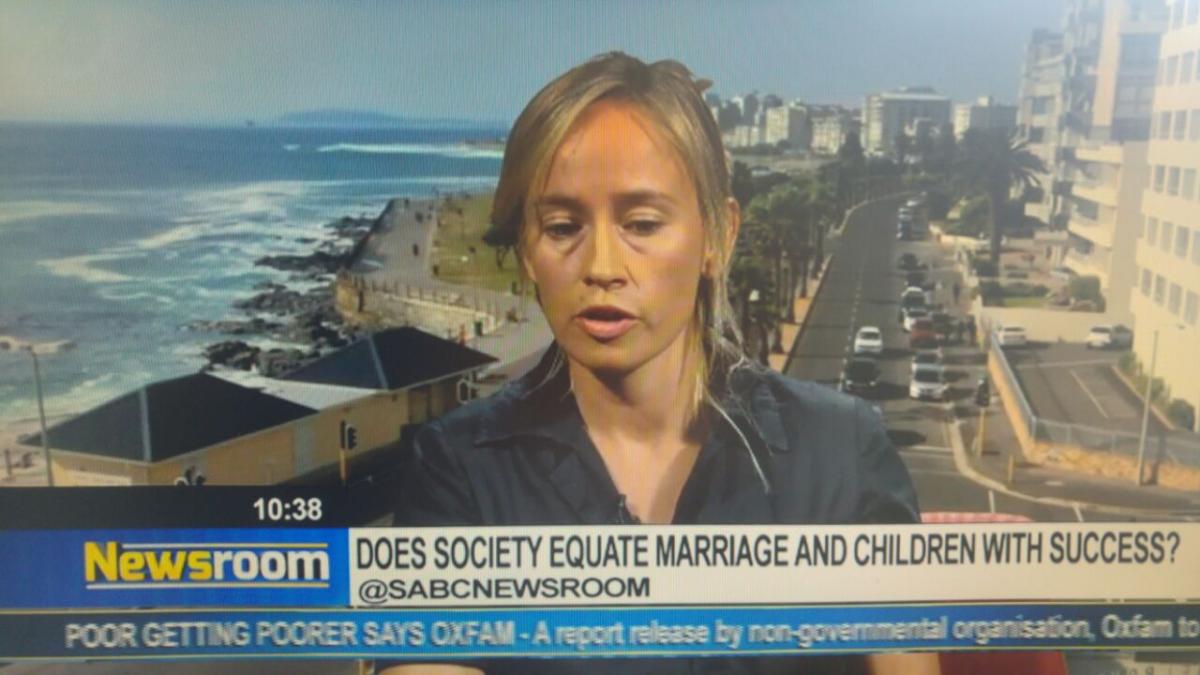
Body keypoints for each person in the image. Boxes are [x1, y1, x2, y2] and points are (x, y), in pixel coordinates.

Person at [383, 52, 938, 675]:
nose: (602, 267)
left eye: (642, 224)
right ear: (526, 252)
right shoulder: (459, 469)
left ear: (718, 237)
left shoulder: (842, 451)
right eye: (562, 227)